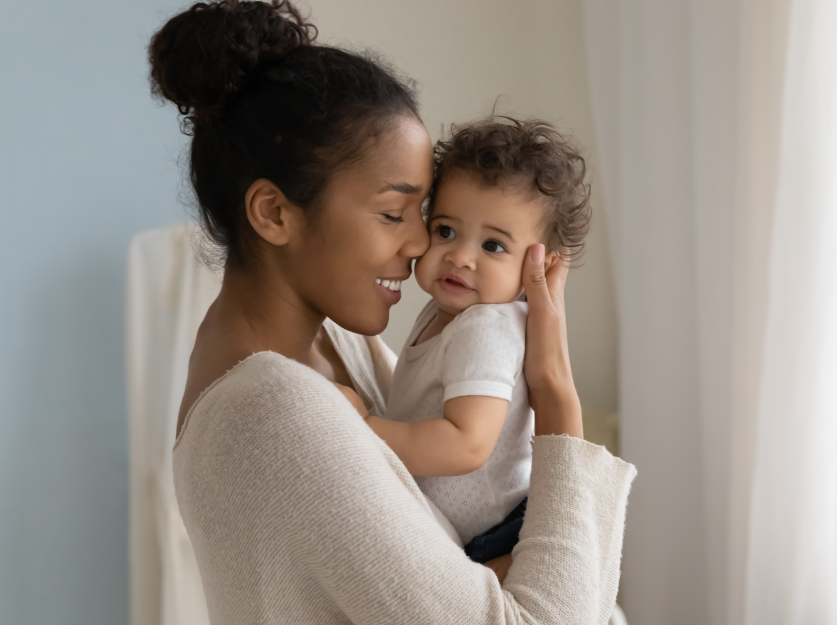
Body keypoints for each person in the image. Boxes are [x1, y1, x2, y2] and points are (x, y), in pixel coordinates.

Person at [150, 1, 636, 623]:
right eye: (392, 214)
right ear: (274, 213)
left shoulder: (331, 346)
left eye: (421, 214)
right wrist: (557, 399)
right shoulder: (275, 410)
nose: (419, 245)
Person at [359, 117, 591, 567]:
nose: (460, 256)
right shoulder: (449, 314)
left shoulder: (484, 327)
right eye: (445, 230)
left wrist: (363, 430)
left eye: (493, 246)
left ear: (539, 266)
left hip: (497, 533)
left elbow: (465, 444)